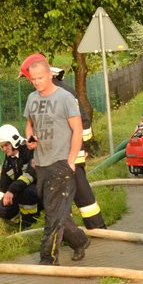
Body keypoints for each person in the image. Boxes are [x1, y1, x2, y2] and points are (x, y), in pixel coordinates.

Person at [20, 53, 91, 265]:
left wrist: (71, 161)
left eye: (40, 78)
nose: (36, 82)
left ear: (49, 75)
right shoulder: (32, 99)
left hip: (61, 162)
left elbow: (77, 130)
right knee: (54, 209)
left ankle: (48, 259)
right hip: (41, 162)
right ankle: (79, 240)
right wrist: (30, 139)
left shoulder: (65, 98)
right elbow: (30, 124)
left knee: (52, 214)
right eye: (33, 79)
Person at [50, 66, 107, 230]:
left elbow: (79, 122)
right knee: (79, 189)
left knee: (76, 189)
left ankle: (82, 230)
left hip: (69, 152)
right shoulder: (63, 91)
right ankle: (93, 226)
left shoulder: (59, 93)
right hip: (71, 151)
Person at [0, 124, 42, 229]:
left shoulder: (29, 150)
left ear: (14, 141)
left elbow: (31, 174)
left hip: (39, 192)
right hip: (20, 193)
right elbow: (2, 186)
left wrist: (11, 190)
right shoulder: (8, 160)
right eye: (2, 146)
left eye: (6, 145)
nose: (4, 149)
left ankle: (31, 221)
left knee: (27, 191)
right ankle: (20, 222)